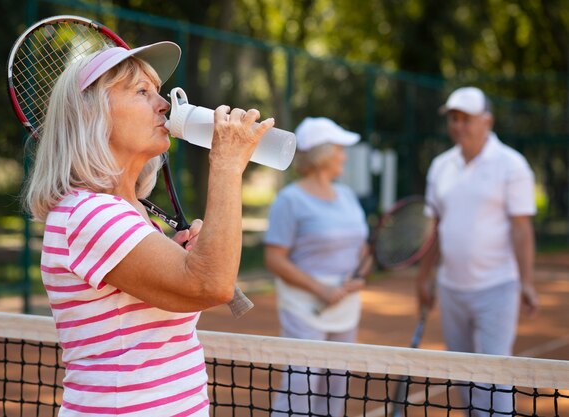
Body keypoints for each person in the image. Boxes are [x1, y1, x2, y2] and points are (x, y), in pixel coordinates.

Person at [23, 42, 274, 416]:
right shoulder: (89, 213)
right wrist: (225, 164)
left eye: (158, 91)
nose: (163, 105)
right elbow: (212, 286)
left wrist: (187, 258)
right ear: (91, 114)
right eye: (142, 92)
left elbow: (184, 295)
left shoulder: (129, 212)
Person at [416, 87, 539, 416]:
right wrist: (424, 277)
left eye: (466, 119)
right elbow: (435, 227)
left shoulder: (512, 165)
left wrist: (526, 282)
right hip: (451, 287)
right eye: (454, 119)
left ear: (487, 121)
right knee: (463, 373)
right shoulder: (441, 166)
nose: (458, 125)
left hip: (497, 287)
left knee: (494, 374)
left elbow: (521, 227)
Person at [263, 117, 372, 417]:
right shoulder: (290, 200)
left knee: (338, 386)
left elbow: (363, 248)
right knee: (301, 387)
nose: (344, 156)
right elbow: (274, 258)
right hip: (303, 307)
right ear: (323, 153)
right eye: (339, 149)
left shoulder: (348, 196)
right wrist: (321, 289)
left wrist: (360, 276)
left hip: (345, 305)